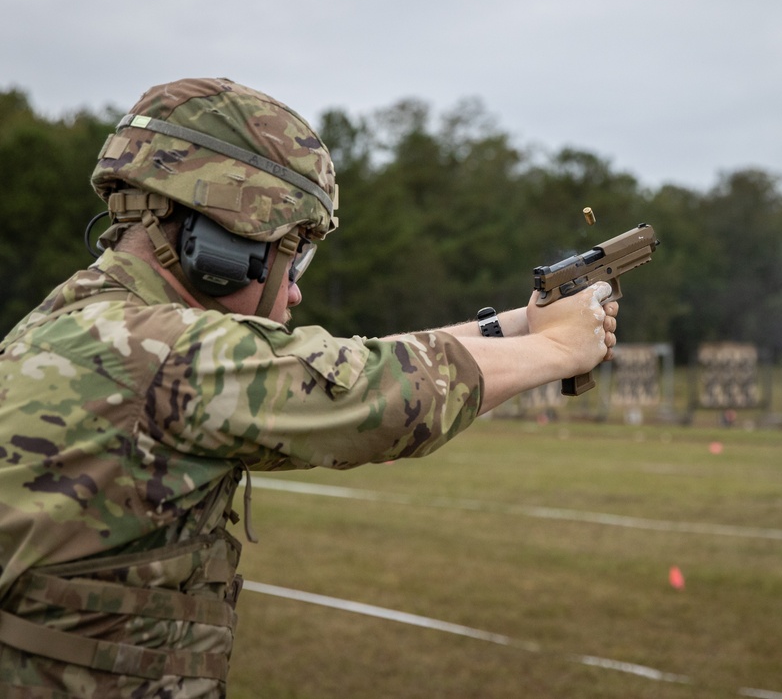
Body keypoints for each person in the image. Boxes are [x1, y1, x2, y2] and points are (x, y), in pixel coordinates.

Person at [0, 77, 618, 697]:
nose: (293, 290)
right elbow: (378, 395)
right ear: (219, 246)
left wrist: (516, 324)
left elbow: (347, 363)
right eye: (290, 256)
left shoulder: (76, 324)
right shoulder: (160, 349)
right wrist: (559, 349)